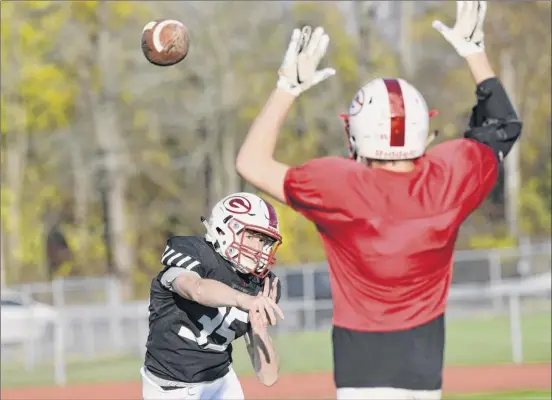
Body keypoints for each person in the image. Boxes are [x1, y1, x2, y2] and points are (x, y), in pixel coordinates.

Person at [235, 2, 522, 400]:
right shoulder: (448, 179)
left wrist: (287, 87)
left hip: (359, 366)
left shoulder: (338, 185)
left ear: (357, 134)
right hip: (424, 366)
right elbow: (503, 125)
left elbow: (250, 162)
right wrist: (473, 50)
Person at [141, 192, 285, 400]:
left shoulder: (261, 285)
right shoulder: (192, 251)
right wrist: (243, 299)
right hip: (168, 389)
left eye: (263, 240)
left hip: (221, 384)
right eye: (251, 236)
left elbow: (268, 377)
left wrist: (259, 330)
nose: (257, 247)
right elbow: (196, 288)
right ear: (224, 228)